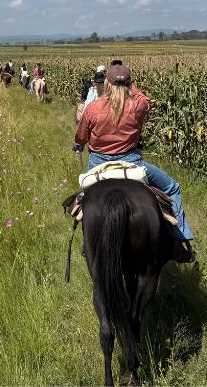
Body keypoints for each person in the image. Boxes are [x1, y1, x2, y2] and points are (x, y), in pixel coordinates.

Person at [74, 60, 196, 262]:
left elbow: (81, 139)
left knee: (84, 199)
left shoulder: (93, 108)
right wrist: (129, 83)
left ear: (107, 84)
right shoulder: (138, 106)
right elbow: (146, 99)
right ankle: (179, 239)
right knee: (172, 188)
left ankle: (88, 243)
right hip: (132, 161)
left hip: (97, 163)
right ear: (129, 84)